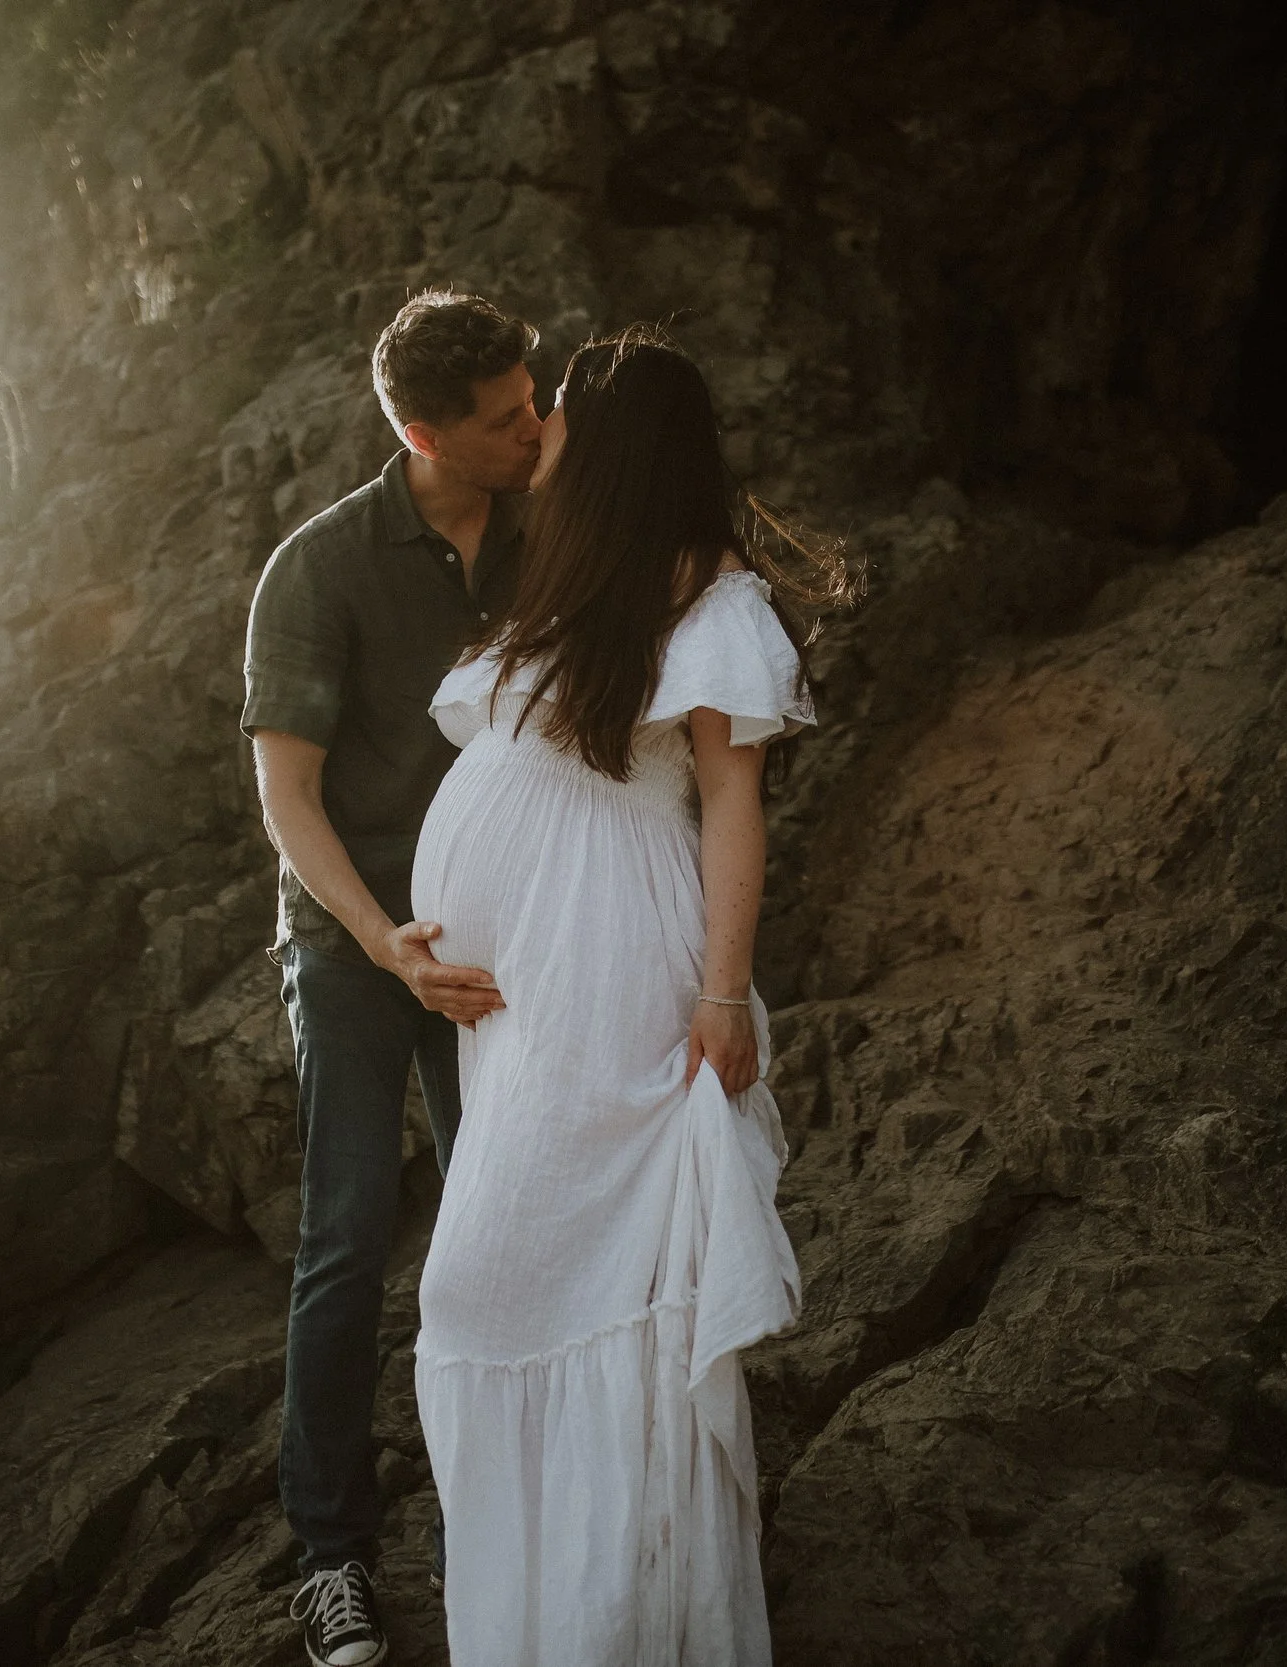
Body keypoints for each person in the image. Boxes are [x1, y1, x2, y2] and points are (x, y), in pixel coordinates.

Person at [410, 326, 854, 1665]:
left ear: (613, 448)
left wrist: (725, 995)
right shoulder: (579, 589)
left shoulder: (717, 609)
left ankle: (621, 1622)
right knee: (493, 1292)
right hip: (529, 991)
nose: (538, 431)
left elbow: (731, 805)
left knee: (557, 1288)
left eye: (557, 418)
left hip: (616, 968)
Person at [242, 289, 542, 1667]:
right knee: (351, 1232)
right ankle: (330, 1557)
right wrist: (380, 942)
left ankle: (526, 1508)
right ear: (421, 433)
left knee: (518, 1210)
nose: (532, 426)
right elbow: (287, 800)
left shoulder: (556, 526)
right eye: (501, 418)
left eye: (532, 397)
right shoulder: (317, 567)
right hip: (361, 938)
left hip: (503, 937)